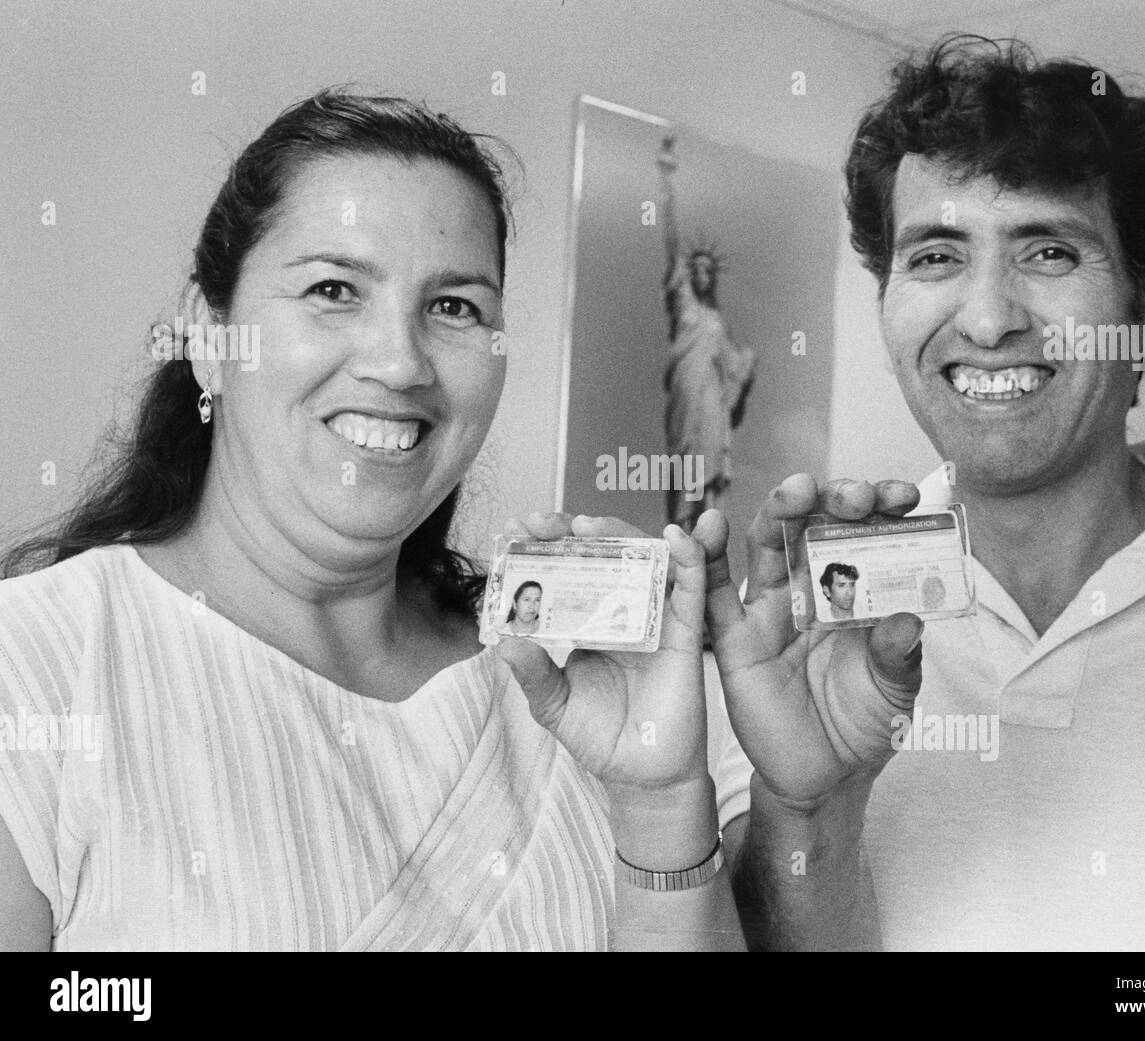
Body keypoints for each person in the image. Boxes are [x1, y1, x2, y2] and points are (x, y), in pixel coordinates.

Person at [0, 90, 745, 952]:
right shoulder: (38, 670)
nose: (398, 363)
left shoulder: (563, 683)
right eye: (332, 289)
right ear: (209, 337)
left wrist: (658, 801)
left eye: (455, 307)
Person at [700, 35, 1145, 950]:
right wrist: (804, 801)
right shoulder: (812, 621)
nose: (986, 319)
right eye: (937, 256)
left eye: (1050, 252)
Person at [656, 136, 756, 531]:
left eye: (705, 269)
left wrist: (745, 363)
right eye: (693, 268)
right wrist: (666, 182)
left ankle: (710, 533)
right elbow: (671, 242)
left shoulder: (717, 321)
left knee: (712, 459)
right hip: (685, 390)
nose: (699, 273)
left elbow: (735, 366)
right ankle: (681, 531)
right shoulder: (686, 306)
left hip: (712, 398)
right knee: (685, 460)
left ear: (711, 276)